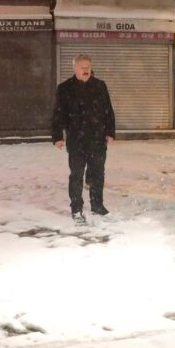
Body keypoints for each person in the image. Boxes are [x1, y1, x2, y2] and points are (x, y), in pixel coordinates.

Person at [52, 54, 115, 224]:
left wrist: (110, 132)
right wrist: (57, 136)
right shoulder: (65, 88)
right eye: (82, 67)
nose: (86, 69)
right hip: (76, 140)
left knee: (97, 174)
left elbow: (108, 110)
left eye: (88, 66)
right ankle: (77, 208)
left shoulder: (100, 86)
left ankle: (97, 205)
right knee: (77, 175)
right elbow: (59, 113)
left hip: (97, 139)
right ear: (75, 68)